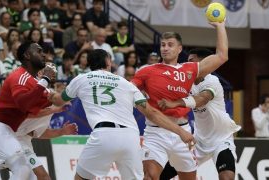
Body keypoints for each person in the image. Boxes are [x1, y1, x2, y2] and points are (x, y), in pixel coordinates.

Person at [48, 49, 195, 180]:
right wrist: (180, 131)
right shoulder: (126, 83)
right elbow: (152, 113)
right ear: (108, 62)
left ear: (88, 64)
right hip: (130, 138)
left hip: (104, 134)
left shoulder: (81, 79)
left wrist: (47, 89)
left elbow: (59, 100)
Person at [131, 20, 229, 180]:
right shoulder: (146, 71)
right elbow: (129, 90)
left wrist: (220, 26)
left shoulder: (189, 69)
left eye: (170, 44)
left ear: (179, 49)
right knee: (149, 176)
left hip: (183, 134)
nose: (165, 48)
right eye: (162, 45)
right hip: (155, 133)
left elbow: (221, 55)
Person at [158, 48, 241, 180]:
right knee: (161, 174)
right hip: (198, 141)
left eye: (191, 61)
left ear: (204, 63)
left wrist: (176, 103)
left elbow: (202, 100)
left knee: (227, 177)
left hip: (221, 139)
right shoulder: (186, 82)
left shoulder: (212, 80)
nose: (188, 65)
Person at [0, 41, 57, 180]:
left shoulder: (35, 83)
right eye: (39, 51)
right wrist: (45, 79)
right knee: (22, 168)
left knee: (30, 175)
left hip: (8, 130)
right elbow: (23, 104)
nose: (43, 54)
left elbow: (45, 104)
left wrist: (69, 95)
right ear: (27, 55)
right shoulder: (20, 76)